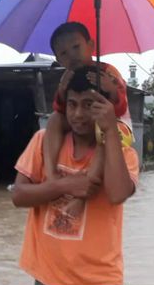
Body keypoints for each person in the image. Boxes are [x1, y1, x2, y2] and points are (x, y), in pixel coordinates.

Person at [10, 66, 139, 285]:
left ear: (106, 108)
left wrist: (110, 132)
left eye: (89, 104)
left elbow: (119, 193)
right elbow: (19, 195)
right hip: (50, 284)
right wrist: (63, 187)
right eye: (72, 104)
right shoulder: (43, 142)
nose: (79, 114)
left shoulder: (122, 152)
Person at [43, 22, 134, 184]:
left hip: (112, 123)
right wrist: (62, 91)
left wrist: (111, 89)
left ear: (91, 45)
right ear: (58, 60)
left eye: (76, 47)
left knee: (103, 137)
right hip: (84, 122)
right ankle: (51, 173)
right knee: (54, 119)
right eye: (64, 53)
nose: (71, 55)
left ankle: (87, 187)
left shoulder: (108, 72)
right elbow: (61, 109)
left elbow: (121, 108)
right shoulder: (67, 77)